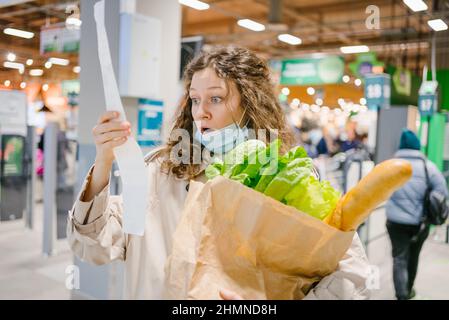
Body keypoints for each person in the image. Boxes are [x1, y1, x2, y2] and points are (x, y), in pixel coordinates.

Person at [67, 46, 371, 300]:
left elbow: (352, 275)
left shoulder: (289, 177)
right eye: (195, 99)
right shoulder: (161, 171)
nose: (200, 112)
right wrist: (104, 161)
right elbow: (92, 246)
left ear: (251, 103)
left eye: (216, 98)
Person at [385, 129, 448, 300]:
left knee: (399, 258)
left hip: (395, 222)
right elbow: (442, 193)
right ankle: (409, 289)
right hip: (419, 223)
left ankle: (401, 295)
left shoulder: (390, 166)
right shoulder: (429, 167)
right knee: (413, 257)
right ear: (417, 146)